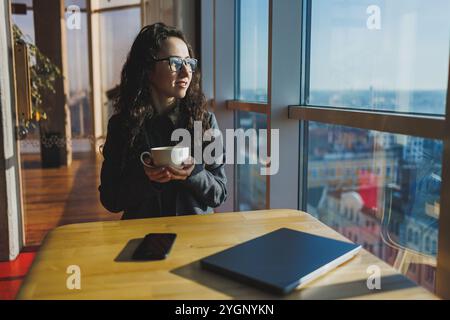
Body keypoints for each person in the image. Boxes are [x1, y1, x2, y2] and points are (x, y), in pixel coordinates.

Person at [98, 23, 227, 220]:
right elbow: (110, 198)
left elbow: (219, 192)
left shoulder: (205, 122)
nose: (186, 73)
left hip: (195, 238)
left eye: (189, 63)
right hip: (143, 237)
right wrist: (147, 180)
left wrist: (193, 174)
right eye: (175, 63)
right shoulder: (122, 126)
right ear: (148, 69)